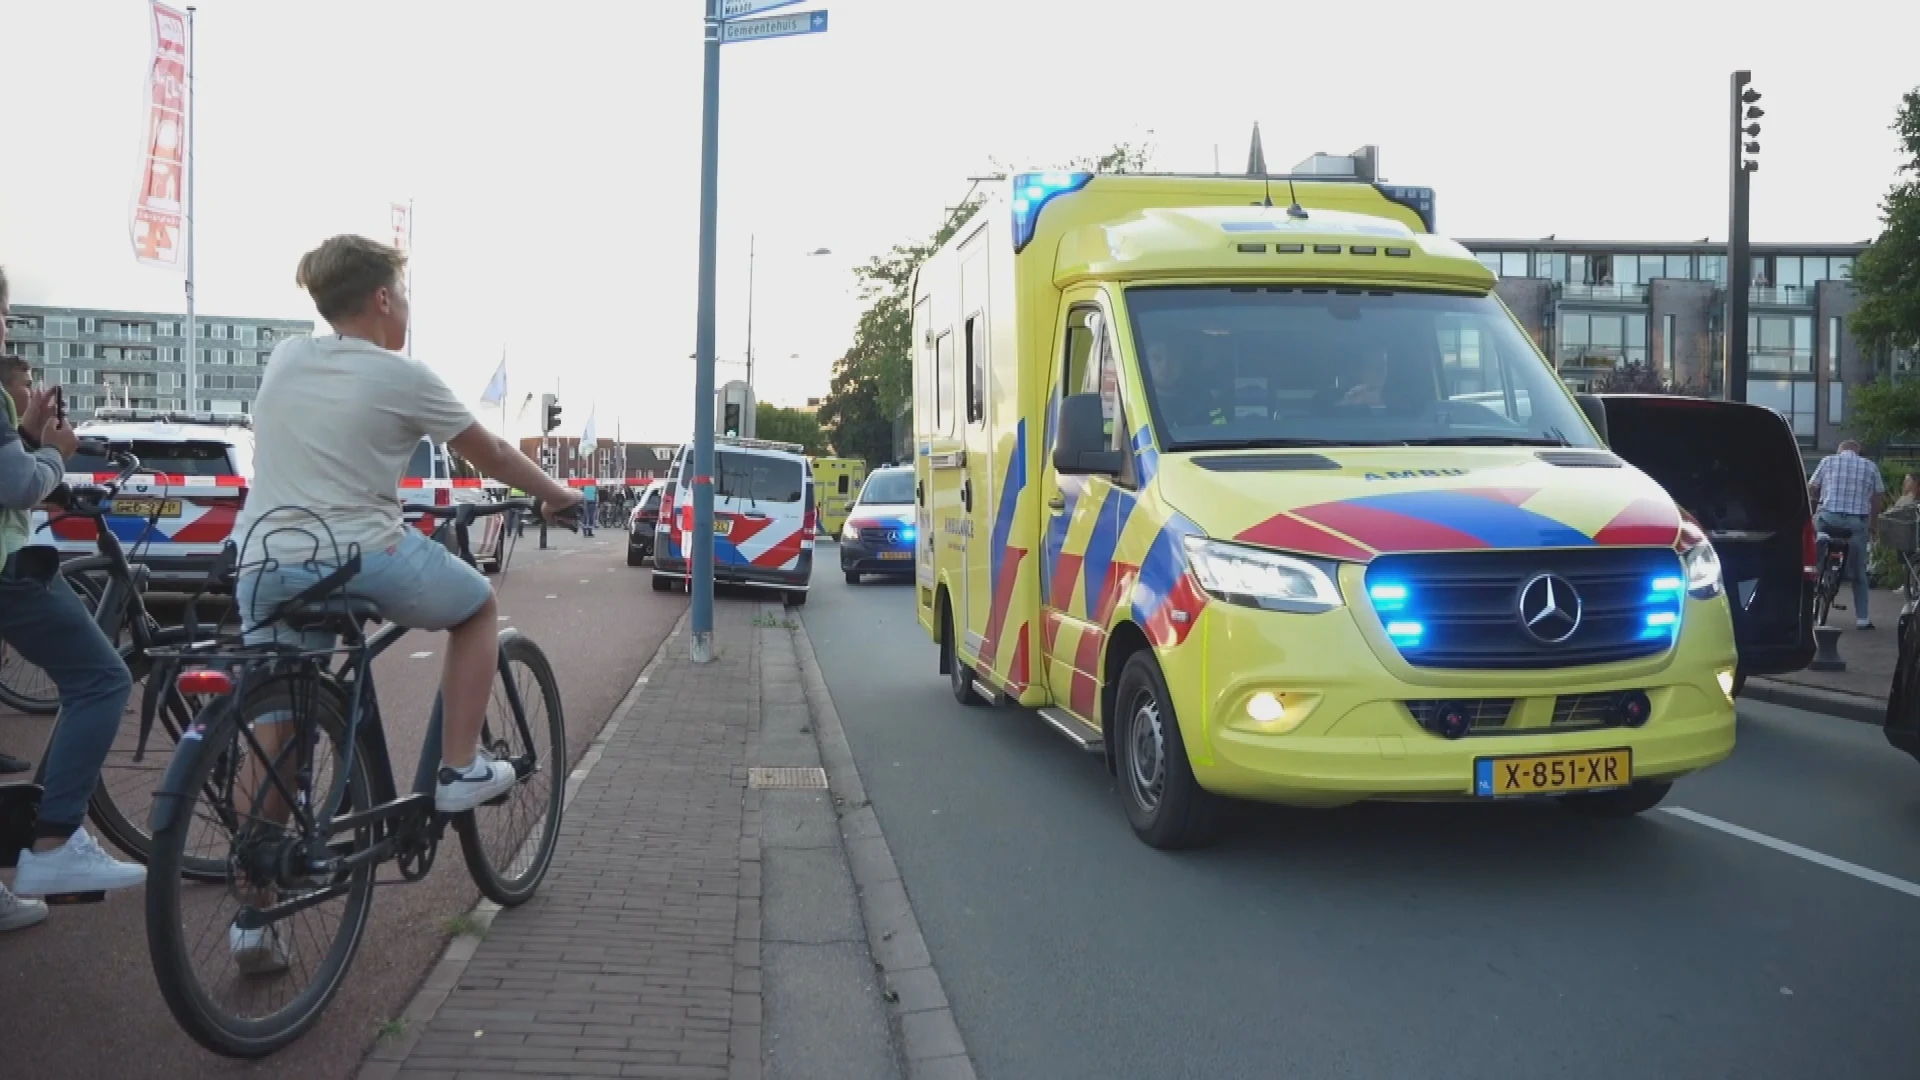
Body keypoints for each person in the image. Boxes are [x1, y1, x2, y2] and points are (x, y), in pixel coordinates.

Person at [229, 236, 581, 966]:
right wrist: (558, 495)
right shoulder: (402, 375)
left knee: (276, 739)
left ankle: (251, 922)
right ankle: (457, 770)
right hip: (355, 555)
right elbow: (496, 456)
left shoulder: (288, 358)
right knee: (476, 602)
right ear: (384, 299)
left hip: (262, 560)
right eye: (405, 293)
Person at [0, 267, 145, 932]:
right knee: (102, 679)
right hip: (10, 572)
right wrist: (55, 453)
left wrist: (30, 438)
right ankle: (56, 841)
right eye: (2, 315)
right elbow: (15, 484)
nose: (6, 328)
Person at [1808, 439, 1885, 630]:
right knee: (1859, 572)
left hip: (1828, 518)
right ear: (1857, 451)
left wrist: (1811, 510)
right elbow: (1877, 498)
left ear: (1840, 450)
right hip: (1855, 523)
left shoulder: (1828, 460)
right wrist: (1873, 525)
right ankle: (1862, 619)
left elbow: (1812, 487)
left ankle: (1819, 555)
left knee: (1811, 564)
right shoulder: (1870, 466)